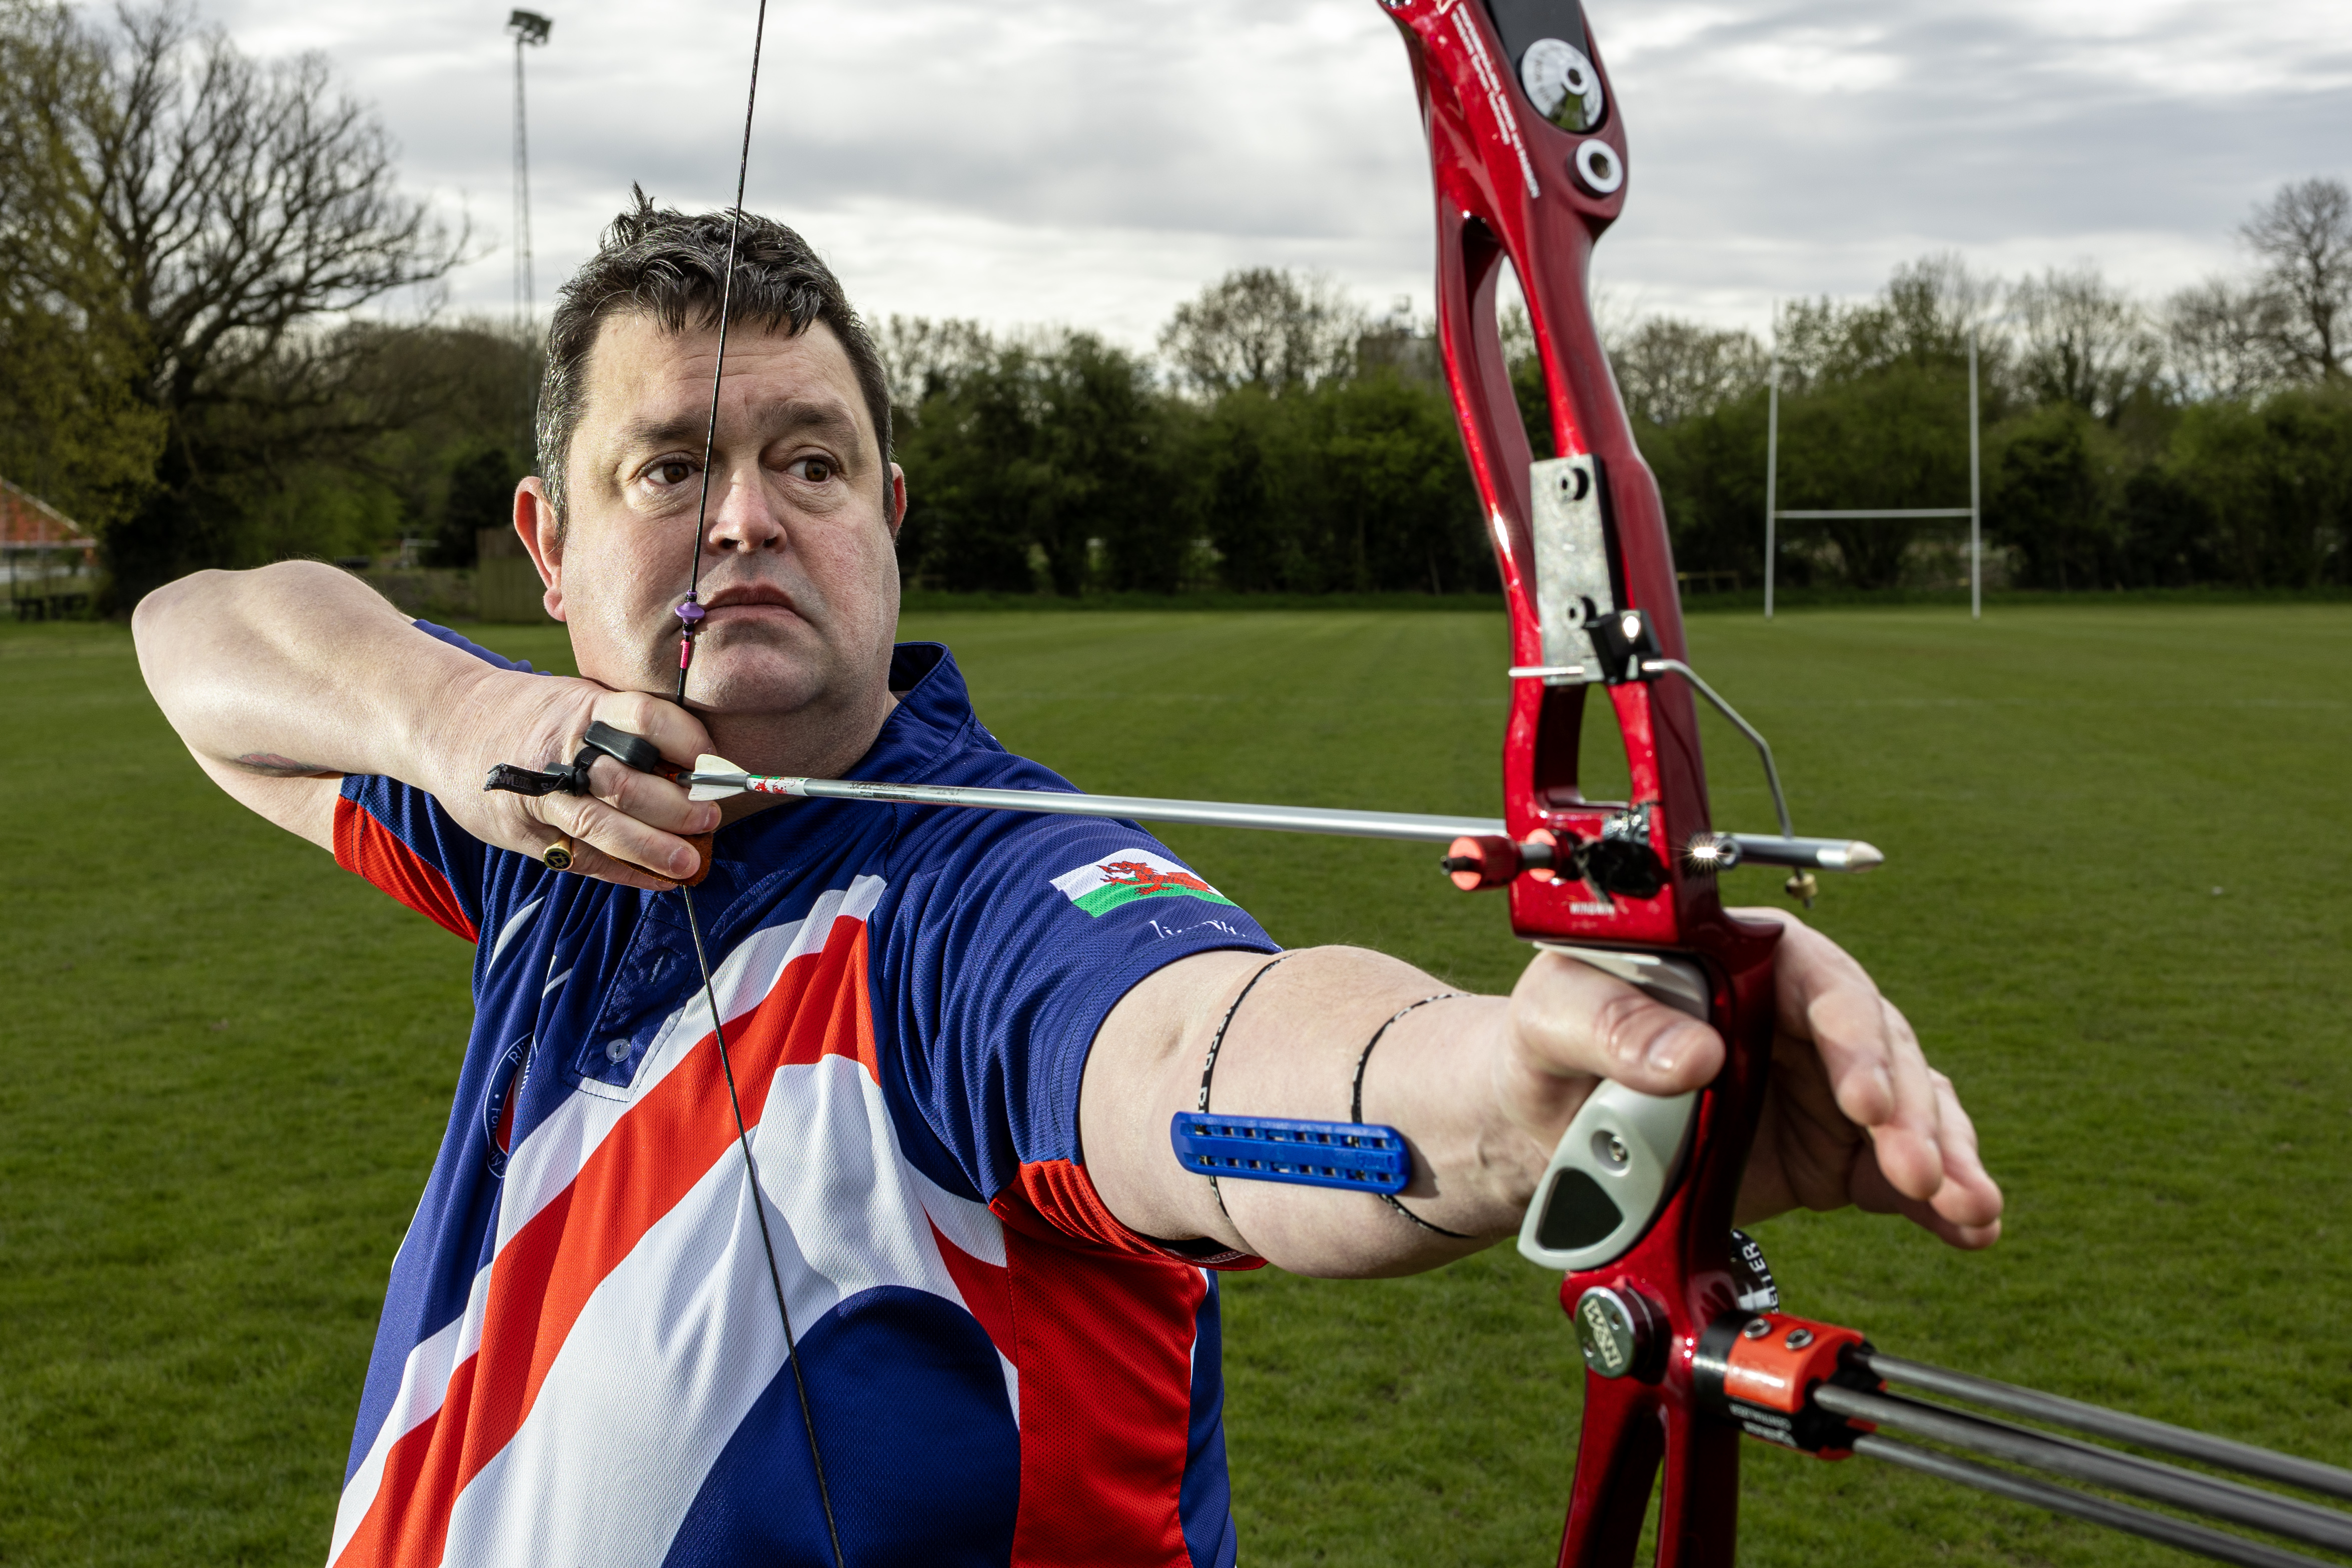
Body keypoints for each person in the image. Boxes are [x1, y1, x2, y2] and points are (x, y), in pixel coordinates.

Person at [134, 196, 2002, 1568]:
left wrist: (1517, 1102)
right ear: (547, 543)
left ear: (889, 519)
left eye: (813, 461)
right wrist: (453, 716)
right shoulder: (541, 827)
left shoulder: (984, 905)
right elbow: (200, 641)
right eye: (672, 465)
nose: (747, 516)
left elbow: (1216, 1059)